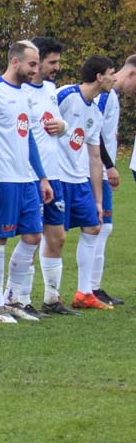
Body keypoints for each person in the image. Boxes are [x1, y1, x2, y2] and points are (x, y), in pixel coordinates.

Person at [0, 41, 52, 323]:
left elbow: (29, 137)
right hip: (4, 178)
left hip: (26, 179)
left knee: (34, 236)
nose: (36, 70)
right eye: (32, 64)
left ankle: (12, 298)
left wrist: (42, 176)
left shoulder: (25, 94)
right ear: (15, 62)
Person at [56, 56, 115, 310]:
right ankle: (47, 295)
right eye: (111, 73)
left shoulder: (95, 111)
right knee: (54, 236)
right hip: (57, 177)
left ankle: (84, 293)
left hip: (78, 179)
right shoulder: (65, 95)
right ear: (99, 77)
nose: (114, 78)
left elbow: (94, 157)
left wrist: (98, 201)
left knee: (93, 227)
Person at [30, 37, 75, 315]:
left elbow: (59, 124)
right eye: (52, 62)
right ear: (37, 61)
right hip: (32, 176)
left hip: (54, 175)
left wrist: (63, 125)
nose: (56, 67)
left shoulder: (49, 89)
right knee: (31, 239)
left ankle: (51, 299)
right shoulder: (21, 91)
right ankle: (16, 297)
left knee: (57, 237)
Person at [88, 56, 136, 305]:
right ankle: (90, 288)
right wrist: (109, 166)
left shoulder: (112, 96)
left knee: (102, 227)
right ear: (132, 74)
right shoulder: (105, 96)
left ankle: (92, 287)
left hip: (101, 169)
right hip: (95, 170)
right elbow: (94, 134)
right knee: (99, 227)